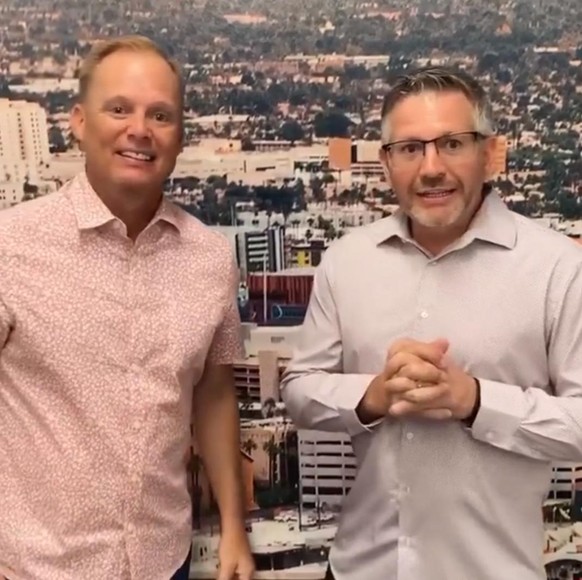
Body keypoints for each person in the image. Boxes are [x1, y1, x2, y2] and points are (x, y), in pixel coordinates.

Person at [280, 66, 582, 580]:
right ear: (386, 164)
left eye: (452, 144)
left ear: (490, 154)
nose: (431, 167)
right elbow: (299, 391)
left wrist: (475, 402)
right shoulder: (346, 261)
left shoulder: (557, 268)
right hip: (360, 567)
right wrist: (372, 396)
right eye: (410, 149)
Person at [0, 36, 254, 580]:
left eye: (160, 114)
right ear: (79, 122)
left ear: (180, 136)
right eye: (119, 109)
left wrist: (234, 524)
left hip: (164, 562)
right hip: (33, 566)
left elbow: (212, 391)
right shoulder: (11, 247)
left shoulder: (210, 257)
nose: (139, 129)